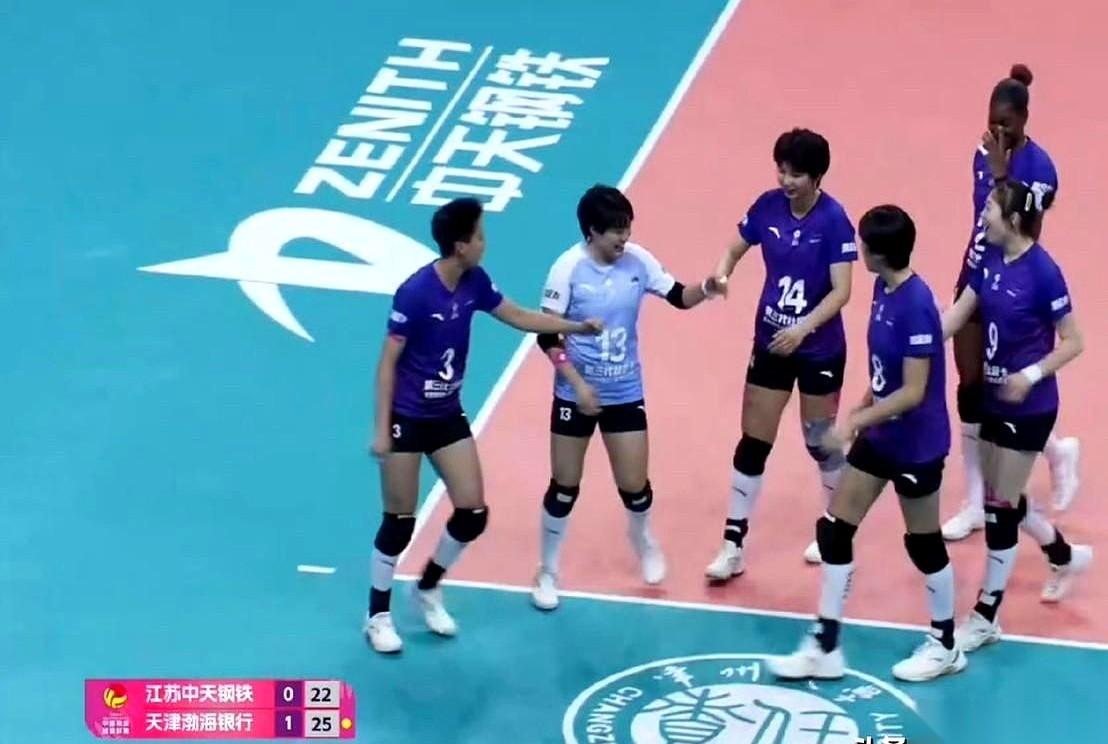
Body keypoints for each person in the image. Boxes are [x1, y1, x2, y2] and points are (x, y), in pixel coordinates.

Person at [363, 197, 602, 654]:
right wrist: (381, 428)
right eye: (479, 236)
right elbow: (387, 362)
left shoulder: (475, 281)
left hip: (446, 415)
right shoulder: (416, 293)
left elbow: (520, 316)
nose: (484, 243)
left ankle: (427, 587)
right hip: (406, 419)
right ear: (460, 245)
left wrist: (575, 327)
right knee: (399, 522)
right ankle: (377, 616)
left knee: (472, 513)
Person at [768, 205, 965, 682]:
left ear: (879, 253)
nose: (859, 251)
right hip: (881, 435)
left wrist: (853, 422)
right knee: (834, 530)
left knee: (923, 544)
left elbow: (913, 392)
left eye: (864, 245)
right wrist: (860, 410)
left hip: (917, 444)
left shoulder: (916, 305)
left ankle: (945, 645)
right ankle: (826, 646)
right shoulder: (883, 289)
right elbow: (883, 377)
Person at [530, 185, 725, 610]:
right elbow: (547, 335)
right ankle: (547, 570)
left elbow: (679, 296)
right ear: (592, 232)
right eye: (616, 230)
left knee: (635, 487)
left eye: (627, 228)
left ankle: (642, 538)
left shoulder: (638, 261)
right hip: (575, 394)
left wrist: (707, 288)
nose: (624, 237)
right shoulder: (567, 269)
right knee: (564, 488)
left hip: (623, 390)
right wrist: (577, 384)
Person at [942, 181, 1091, 653]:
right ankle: (1063, 555)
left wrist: (1030, 374)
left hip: (1031, 406)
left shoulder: (1044, 273)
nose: (982, 213)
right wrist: (918, 340)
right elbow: (959, 313)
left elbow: (1074, 341)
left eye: (990, 207)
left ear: (1011, 220)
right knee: (1003, 497)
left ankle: (986, 614)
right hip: (993, 398)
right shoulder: (988, 259)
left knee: (999, 510)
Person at [705, 127, 857, 579]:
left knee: (819, 442)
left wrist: (802, 329)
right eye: (782, 171)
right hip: (771, 343)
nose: (786, 181)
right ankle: (732, 545)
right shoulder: (768, 206)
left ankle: (836, 527)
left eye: (796, 174)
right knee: (754, 442)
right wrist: (721, 275)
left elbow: (842, 291)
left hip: (819, 349)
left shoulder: (834, 220)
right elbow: (734, 249)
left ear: (817, 176)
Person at [943, 64, 1080, 543]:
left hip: (1016, 286)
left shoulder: (1041, 172)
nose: (997, 132)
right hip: (975, 274)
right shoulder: (980, 152)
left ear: (1024, 119)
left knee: (1006, 386)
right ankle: (974, 503)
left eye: (1006, 123)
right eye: (991, 122)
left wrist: (1003, 173)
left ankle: (1054, 450)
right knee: (970, 390)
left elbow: (1027, 233)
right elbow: (982, 220)